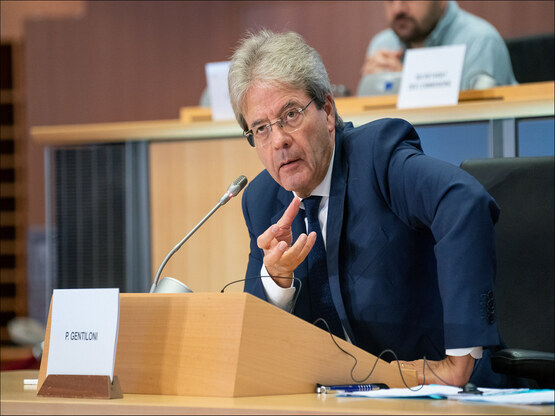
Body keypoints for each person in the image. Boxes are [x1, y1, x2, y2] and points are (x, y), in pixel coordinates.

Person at [228, 29, 516, 388]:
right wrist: (277, 283)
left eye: (290, 115)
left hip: (448, 393)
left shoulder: (378, 157)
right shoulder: (262, 200)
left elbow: (463, 201)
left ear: (328, 111)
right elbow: (257, 346)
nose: (279, 139)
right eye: (261, 128)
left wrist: (459, 359)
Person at [359, 1, 517, 95]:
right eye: (390, 0)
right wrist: (370, 85)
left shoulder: (480, 41)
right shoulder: (383, 44)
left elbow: (477, 125)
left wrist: (404, 82)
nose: (398, 9)